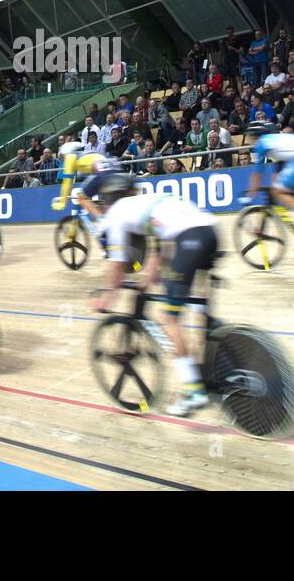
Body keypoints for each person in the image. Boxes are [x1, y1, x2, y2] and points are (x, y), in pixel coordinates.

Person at [94, 173, 220, 418]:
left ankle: (194, 393)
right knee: (194, 303)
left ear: (108, 199)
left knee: (168, 317)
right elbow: (159, 248)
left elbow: (117, 263)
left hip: (189, 239)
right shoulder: (146, 202)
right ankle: (217, 347)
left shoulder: (116, 214)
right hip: (210, 233)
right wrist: (146, 280)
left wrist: (107, 295)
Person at [240, 121, 294, 240]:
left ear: (255, 135)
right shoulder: (278, 141)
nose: (248, 140)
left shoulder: (262, 142)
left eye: (249, 136)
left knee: (277, 192)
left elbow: (257, 173)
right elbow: (279, 168)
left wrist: (250, 195)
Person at [52, 141, 116, 217]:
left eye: (63, 156)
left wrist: (63, 201)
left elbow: (67, 182)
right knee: (106, 202)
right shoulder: (88, 154)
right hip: (114, 169)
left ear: (67, 151)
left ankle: (101, 220)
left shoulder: (70, 157)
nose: (63, 160)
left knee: (81, 198)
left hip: (102, 173)